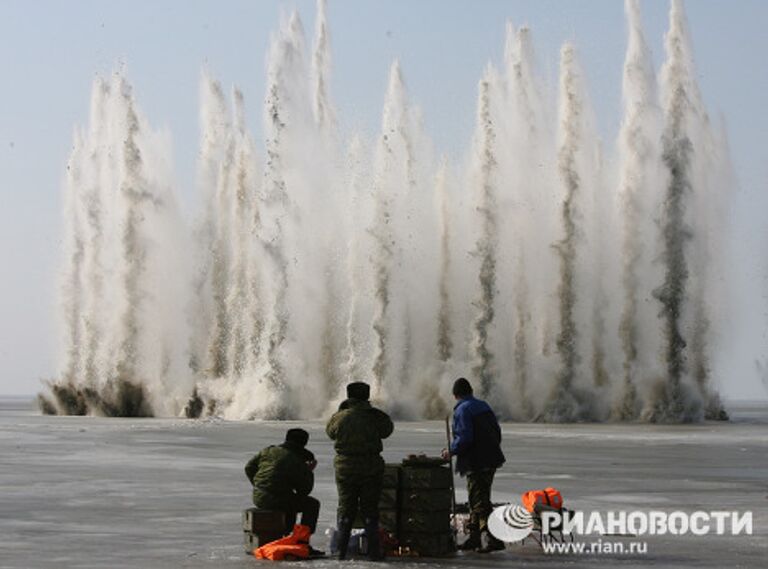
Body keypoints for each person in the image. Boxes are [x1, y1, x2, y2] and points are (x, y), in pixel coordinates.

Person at [326, 382, 394, 560]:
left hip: (345, 467)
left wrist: (340, 410)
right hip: (370, 466)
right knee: (370, 509)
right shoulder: (375, 416)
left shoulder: (340, 417)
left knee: (345, 507)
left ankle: (340, 552)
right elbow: (388, 430)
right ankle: (374, 552)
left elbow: (330, 432)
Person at [441, 377, 506, 552]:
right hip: (491, 459)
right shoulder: (483, 405)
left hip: (477, 461)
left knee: (479, 502)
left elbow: (465, 438)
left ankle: (495, 539)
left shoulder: (462, 410)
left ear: (455, 395)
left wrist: (451, 450)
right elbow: (497, 432)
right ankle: (474, 538)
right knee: (477, 499)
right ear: (471, 391)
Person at [245, 428, 321, 544]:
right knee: (312, 505)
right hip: (277, 500)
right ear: (304, 444)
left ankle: (286, 535)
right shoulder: (296, 460)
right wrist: (308, 471)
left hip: (258, 497)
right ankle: (302, 542)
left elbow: (249, 468)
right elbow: (305, 490)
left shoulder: (268, 450)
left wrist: (259, 485)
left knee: (290, 499)